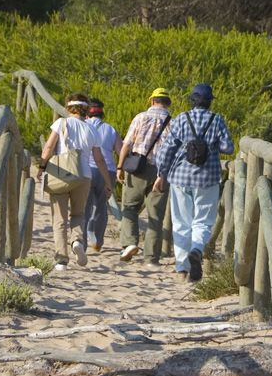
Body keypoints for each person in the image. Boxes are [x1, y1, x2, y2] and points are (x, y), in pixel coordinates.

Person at [153, 83, 233, 282]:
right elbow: (228, 147)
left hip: (180, 176)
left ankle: (182, 269)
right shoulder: (217, 120)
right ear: (209, 101)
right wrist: (212, 144)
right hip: (208, 177)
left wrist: (161, 174)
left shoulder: (181, 118)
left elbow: (167, 149)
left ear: (192, 100)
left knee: (181, 223)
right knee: (203, 222)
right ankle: (197, 250)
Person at [37, 93, 112, 270]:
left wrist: (41, 167)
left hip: (61, 174)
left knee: (59, 218)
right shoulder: (92, 130)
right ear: (86, 109)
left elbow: (48, 147)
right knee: (78, 214)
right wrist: (108, 182)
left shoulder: (61, 123)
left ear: (68, 108)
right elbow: (99, 158)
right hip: (84, 176)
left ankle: (61, 258)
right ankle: (77, 241)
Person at [116, 87, 174, 264]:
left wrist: (120, 166)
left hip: (138, 169)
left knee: (130, 207)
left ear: (152, 101)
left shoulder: (141, 117)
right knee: (156, 216)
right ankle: (151, 258)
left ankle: (129, 243)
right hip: (161, 173)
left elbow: (127, 144)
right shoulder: (173, 122)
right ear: (168, 103)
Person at [83, 97, 121, 253]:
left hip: (85, 169)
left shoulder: (83, 127)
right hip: (107, 171)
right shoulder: (111, 129)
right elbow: (120, 150)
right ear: (102, 113)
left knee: (84, 207)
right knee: (101, 206)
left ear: (87, 114)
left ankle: (83, 241)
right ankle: (97, 240)